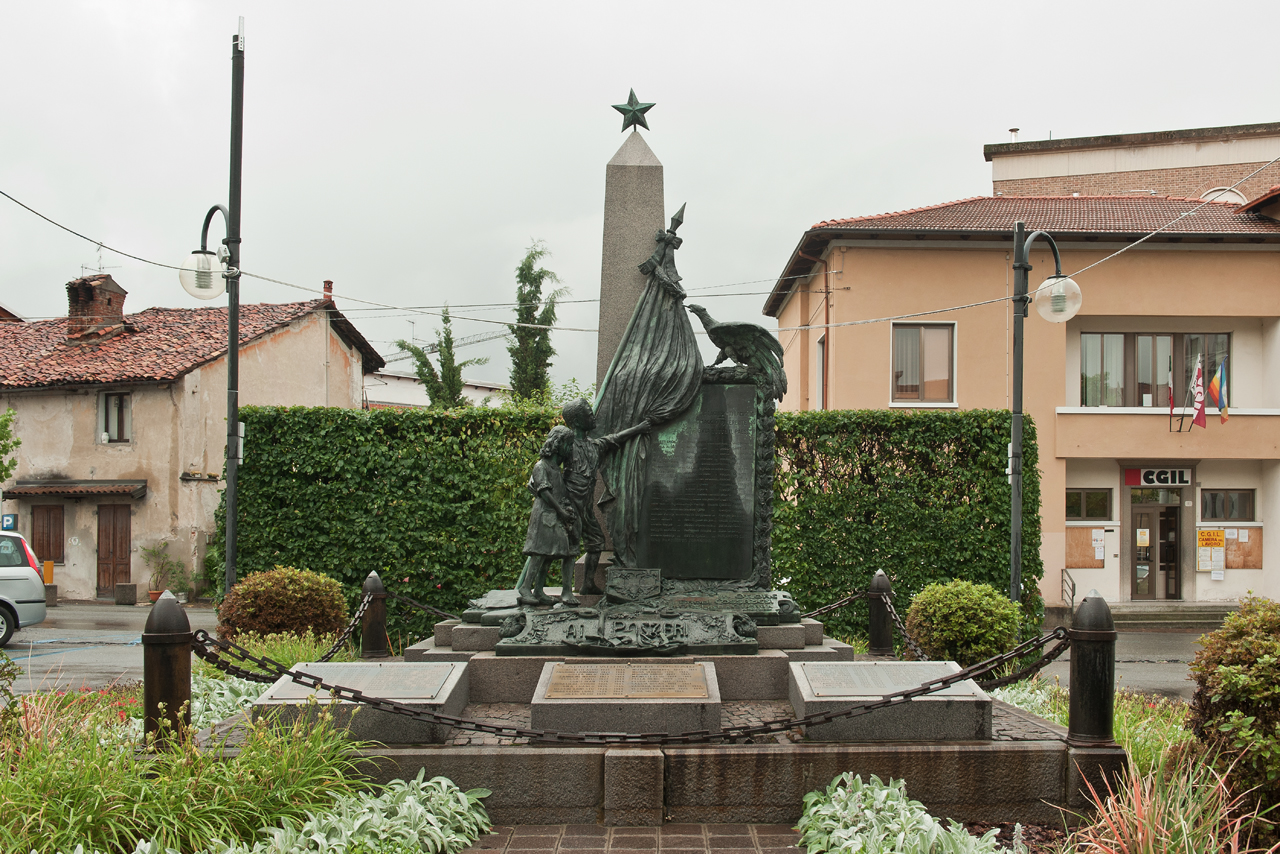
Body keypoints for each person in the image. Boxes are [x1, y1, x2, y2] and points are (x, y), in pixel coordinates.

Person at [560, 398, 650, 595]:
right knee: (570, 547)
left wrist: (640, 428)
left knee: (596, 542)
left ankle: (588, 584)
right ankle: (566, 590)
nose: (593, 415)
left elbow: (615, 438)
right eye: (588, 413)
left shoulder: (594, 445)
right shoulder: (567, 445)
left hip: (586, 506)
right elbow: (548, 466)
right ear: (576, 421)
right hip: (570, 506)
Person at [516, 425, 576, 606]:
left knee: (549, 554)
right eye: (569, 444)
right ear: (558, 444)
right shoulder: (541, 466)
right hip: (544, 515)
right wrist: (561, 511)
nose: (570, 449)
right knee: (538, 553)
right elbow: (545, 492)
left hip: (554, 515)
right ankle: (526, 587)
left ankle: (539, 589)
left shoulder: (556, 468)